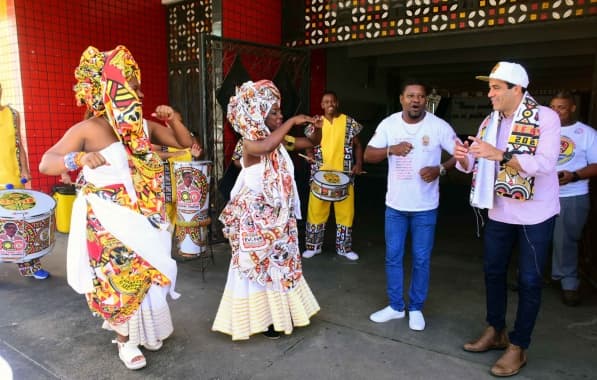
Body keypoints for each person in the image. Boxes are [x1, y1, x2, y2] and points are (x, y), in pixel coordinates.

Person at [38, 45, 193, 370]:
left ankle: (148, 330)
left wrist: (174, 119)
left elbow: (183, 143)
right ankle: (125, 341)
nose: (140, 93)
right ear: (112, 90)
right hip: (107, 221)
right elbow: (46, 162)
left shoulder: (143, 127)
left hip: (146, 216)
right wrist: (77, 158)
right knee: (118, 279)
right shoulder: (88, 129)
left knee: (149, 275)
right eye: (133, 87)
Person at [454, 62, 560, 377]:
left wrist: (499, 154)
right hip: (499, 209)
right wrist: (464, 158)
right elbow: (476, 163)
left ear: (517, 89)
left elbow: (545, 163)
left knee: (528, 281)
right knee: (493, 272)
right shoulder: (491, 120)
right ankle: (496, 330)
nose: (490, 93)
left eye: (496, 87)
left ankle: (518, 345)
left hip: (535, 213)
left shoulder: (545, 118)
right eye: (490, 87)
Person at [212, 80, 321, 340]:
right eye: (273, 111)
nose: (280, 115)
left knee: (280, 267)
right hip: (255, 223)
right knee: (259, 269)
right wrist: (292, 121)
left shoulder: (282, 140)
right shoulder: (249, 143)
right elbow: (266, 147)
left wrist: (316, 129)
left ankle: (281, 316)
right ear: (257, 113)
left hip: (279, 219)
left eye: (280, 111)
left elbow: (310, 142)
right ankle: (262, 319)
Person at [364, 78, 457, 331]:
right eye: (411, 96)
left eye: (420, 96)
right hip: (395, 206)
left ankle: (415, 308)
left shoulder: (439, 126)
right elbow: (368, 155)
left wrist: (440, 169)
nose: (416, 100)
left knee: (421, 259)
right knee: (393, 257)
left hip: (425, 208)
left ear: (425, 100)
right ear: (402, 99)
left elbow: (463, 155)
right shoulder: (389, 124)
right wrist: (390, 149)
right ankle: (396, 307)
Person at [302, 91, 364, 261]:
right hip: (319, 175)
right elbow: (308, 143)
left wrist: (359, 164)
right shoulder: (316, 122)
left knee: (346, 213)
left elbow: (358, 145)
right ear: (322, 105)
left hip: (344, 175)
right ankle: (313, 247)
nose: (329, 104)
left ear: (337, 103)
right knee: (315, 212)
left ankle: (344, 248)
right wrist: (310, 155)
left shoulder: (349, 122)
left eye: (332, 101)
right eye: (325, 101)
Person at [549, 91, 597, 306]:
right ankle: (531, 277)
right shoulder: (542, 132)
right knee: (535, 237)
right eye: (553, 107)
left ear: (573, 108)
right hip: (542, 195)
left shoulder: (586, 133)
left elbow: (595, 165)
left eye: (562, 107)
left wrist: (574, 176)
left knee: (566, 239)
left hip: (573, 195)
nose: (556, 111)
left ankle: (569, 282)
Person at [0, 82, 50, 280]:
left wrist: (26, 169)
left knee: (20, 225)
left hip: (13, 179)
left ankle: (30, 265)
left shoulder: (12, 114)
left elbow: (18, 144)